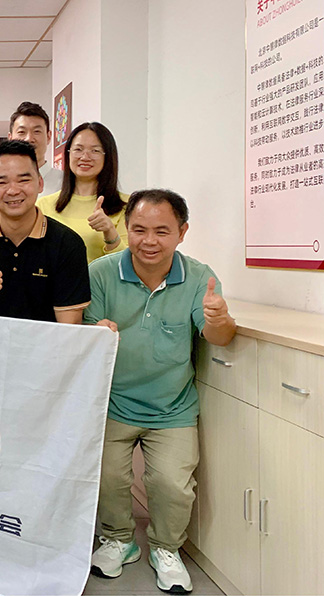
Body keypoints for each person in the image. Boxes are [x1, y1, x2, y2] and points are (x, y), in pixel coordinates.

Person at [85, 189, 236, 594]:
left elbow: (219, 337)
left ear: (182, 232)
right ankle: (118, 539)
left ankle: (166, 548)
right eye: (139, 230)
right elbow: (80, 333)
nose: (149, 241)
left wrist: (220, 319)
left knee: (172, 484)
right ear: (126, 229)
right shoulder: (100, 273)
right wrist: (95, 330)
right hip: (111, 402)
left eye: (162, 231)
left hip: (172, 407)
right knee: (107, 477)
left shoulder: (199, 277)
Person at [0, 140, 90, 323]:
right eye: (1, 182)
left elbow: (69, 326)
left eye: (23, 180)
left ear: (40, 184)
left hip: (43, 341)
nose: (13, 190)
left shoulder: (67, 244)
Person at [36, 122, 129, 262]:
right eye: (78, 149)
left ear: (108, 156)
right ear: (68, 154)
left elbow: (129, 265)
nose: (85, 157)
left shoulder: (126, 205)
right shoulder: (43, 205)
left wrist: (110, 232)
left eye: (95, 151)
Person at [7, 101, 64, 196]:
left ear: (49, 137)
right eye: (21, 132)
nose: (29, 139)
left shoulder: (66, 183)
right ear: (10, 138)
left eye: (37, 131)